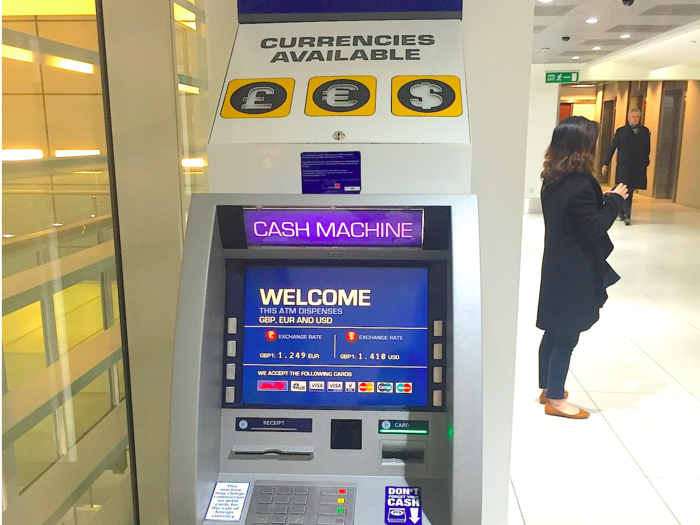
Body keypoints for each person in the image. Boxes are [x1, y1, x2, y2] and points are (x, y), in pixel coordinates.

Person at [537, 116, 628, 419]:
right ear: (582, 146)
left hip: (556, 265)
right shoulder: (580, 184)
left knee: (553, 328)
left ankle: (546, 387)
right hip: (575, 270)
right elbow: (593, 228)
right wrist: (614, 200)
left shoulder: (552, 177)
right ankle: (555, 399)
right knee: (566, 336)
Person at [601, 108, 651, 225]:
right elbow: (612, 148)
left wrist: (646, 162)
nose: (635, 119)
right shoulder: (621, 131)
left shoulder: (644, 131)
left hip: (637, 167)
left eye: (637, 117)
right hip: (624, 166)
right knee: (624, 188)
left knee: (630, 190)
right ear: (628, 118)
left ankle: (625, 212)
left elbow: (647, 148)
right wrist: (605, 163)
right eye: (633, 116)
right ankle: (625, 213)